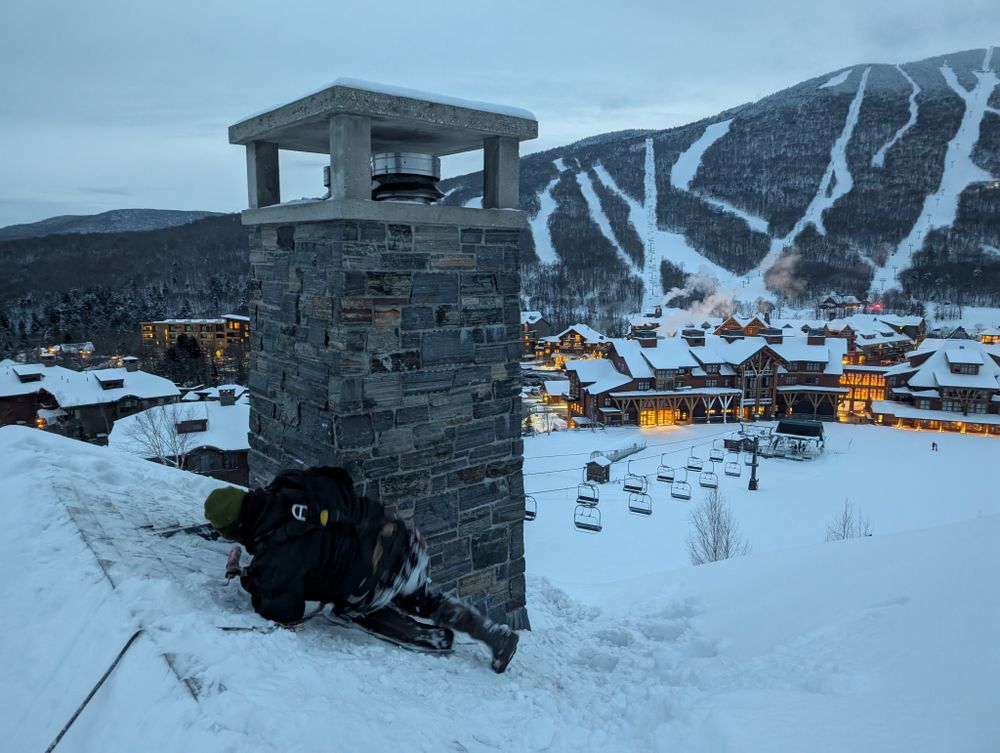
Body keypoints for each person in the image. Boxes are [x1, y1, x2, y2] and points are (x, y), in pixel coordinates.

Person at [204, 466, 519, 673]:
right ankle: (491, 634)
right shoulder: (288, 483)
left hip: (373, 582)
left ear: (239, 529)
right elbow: (338, 476)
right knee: (421, 597)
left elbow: (283, 609)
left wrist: (248, 579)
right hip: (400, 539)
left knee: (346, 608)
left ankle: (427, 637)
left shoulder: (275, 556)